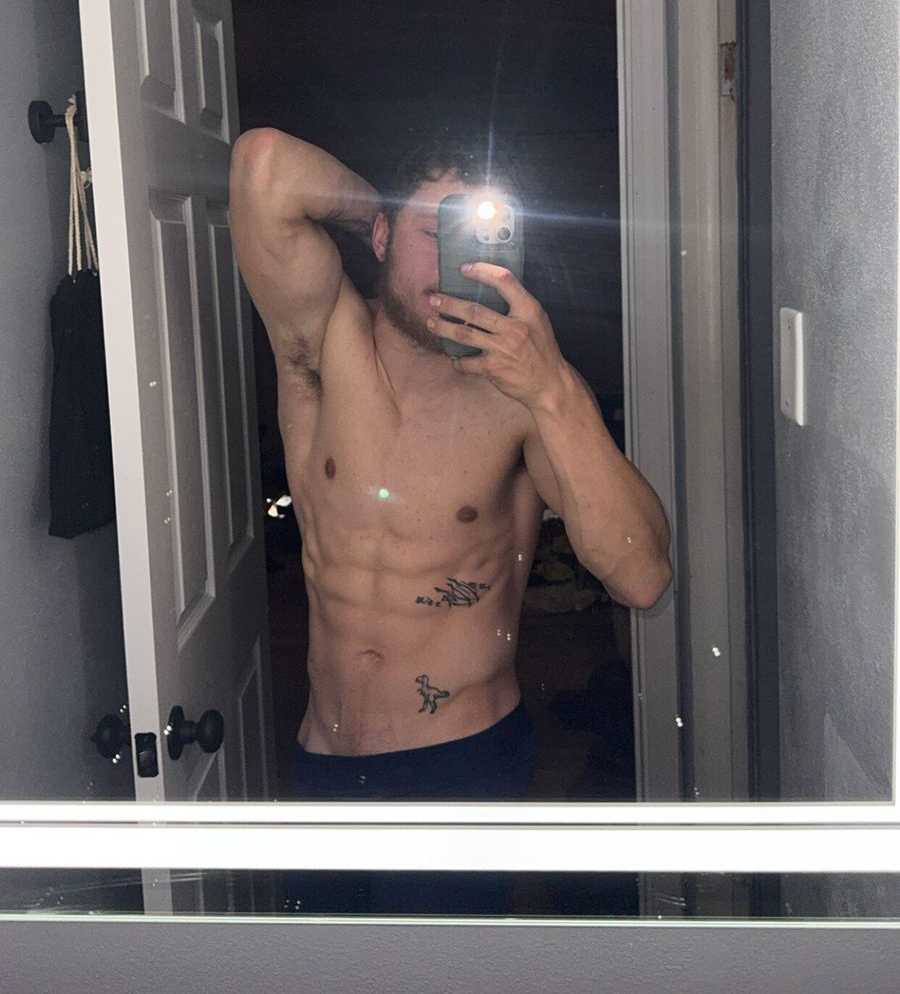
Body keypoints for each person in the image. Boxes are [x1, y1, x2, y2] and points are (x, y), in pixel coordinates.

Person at [229, 127, 673, 913]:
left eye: (477, 238)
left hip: (459, 768)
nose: (454, 267)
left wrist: (551, 388)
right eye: (434, 233)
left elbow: (641, 576)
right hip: (322, 763)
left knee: (438, 988)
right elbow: (263, 164)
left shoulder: (526, 392)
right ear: (380, 237)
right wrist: (379, 208)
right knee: (323, 979)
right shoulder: (323, 341)